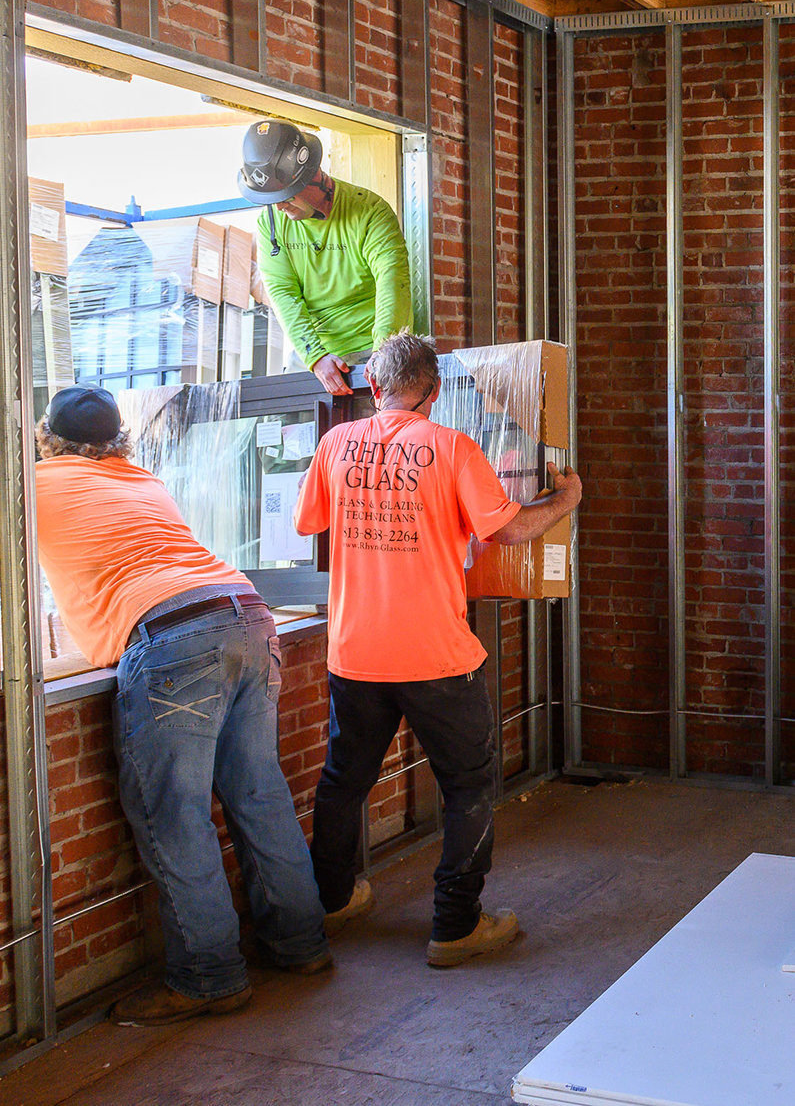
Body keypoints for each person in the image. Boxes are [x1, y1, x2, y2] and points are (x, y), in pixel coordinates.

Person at [35, 385, 329, 1027]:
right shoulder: (142, 480)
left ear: (47, 438)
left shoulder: (37, 484)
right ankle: (300, 945)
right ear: (117, 440)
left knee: (175, 812)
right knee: (258, 792)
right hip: (246, 611)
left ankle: (208, 976)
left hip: (173, 637)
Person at [293, 331, 582, 967]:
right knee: (469, 786)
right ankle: (454, 926)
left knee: (343, 782)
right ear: (435, 390)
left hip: (354, 652)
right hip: (436, 656)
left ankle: (332, 900)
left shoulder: (334, 444)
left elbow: (306, 523)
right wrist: (566, 498)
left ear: (373, 386)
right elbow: (510, 531)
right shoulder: (451, 447)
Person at [237, 117, 413, 395]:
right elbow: (283, 293)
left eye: (287, 195)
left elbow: (393, 283)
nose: (280, 205)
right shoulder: (270, 222)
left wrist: (384, 352)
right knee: (287, 424)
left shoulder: (369, 212)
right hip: (318, 348)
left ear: (313, 175)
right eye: (271, 199)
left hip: (372, 342)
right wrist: (315, 356)